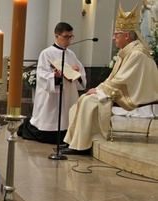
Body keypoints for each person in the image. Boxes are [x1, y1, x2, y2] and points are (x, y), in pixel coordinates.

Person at [63, 4, 158, 155]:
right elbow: (113, 78)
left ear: (126, 36)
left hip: (135, 92)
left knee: (90, 101)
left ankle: (84, 144)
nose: (113, 38)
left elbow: (122, 80)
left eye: (116, 34)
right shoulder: (127, 52)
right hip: (123, 88)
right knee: (84, 99)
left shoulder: (136, 54)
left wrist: (100, 91)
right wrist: (99, 89)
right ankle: (75, 142)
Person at [18, 22, 86, 145]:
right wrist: (55, 77)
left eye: (71, 37)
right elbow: (42, 75)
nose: (69, 40)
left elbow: (82, 77)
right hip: (52, 98)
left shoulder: (71, 55)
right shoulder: (46, 53)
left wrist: (77, 73)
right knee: (50, 125)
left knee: (67, 122)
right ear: (56, 36)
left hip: (68, 94)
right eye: (66, 37)